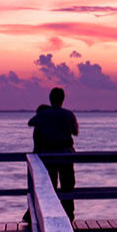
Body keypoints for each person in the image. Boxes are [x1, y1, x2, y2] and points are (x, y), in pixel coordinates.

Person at [28, 86, 80, 221]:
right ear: (63, 99)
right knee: (67, 186)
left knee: (50, 186)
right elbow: (75, 132)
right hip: (66, 154)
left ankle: (51, 215)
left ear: (50, 99)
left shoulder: (43, 115)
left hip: (49, 154)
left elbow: (30, 123)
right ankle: (69, 215)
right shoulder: (69, 114)